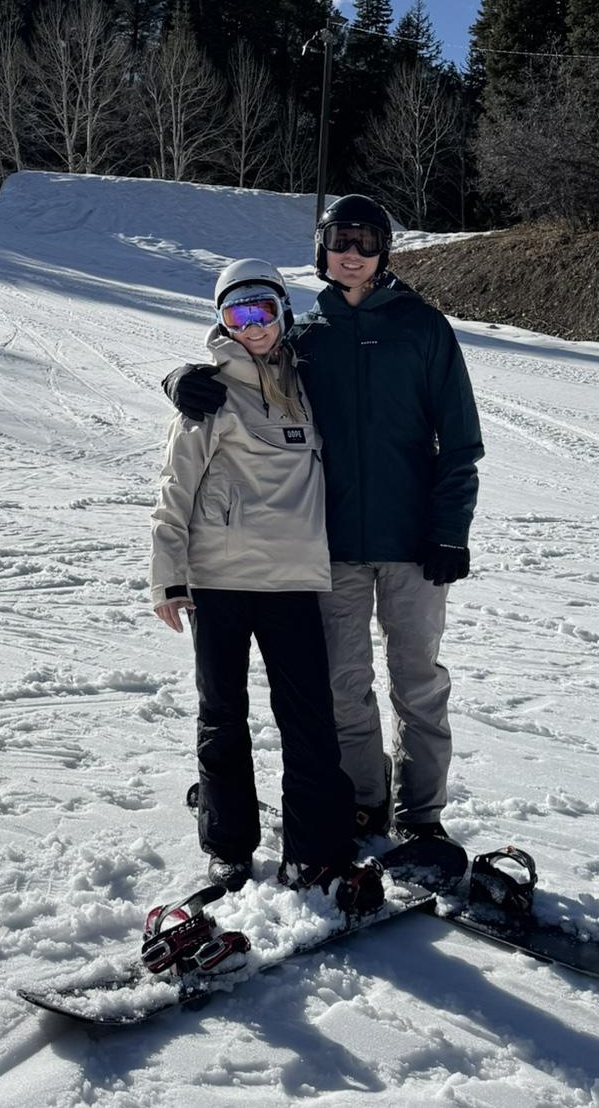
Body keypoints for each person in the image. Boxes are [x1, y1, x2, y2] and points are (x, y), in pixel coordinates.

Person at [167, 196, 483, 847]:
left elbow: (461, 441)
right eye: (341, 241)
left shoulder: (423, 328)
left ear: (383, 251)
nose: (353, 254)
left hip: (415, 544)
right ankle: (363, 802)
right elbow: (245, 365)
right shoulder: (307, 335)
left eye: (367, 242)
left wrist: (450, 529)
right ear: (323, 251)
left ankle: (421, 817)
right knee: (344, 688)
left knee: (419, 684)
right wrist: (179, 378)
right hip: (330, 548)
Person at [151, 257, 384, 914]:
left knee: (309, 718)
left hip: (294, 579)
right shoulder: (207, 395)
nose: (252, 327)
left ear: (283, 312)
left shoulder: (304, 383)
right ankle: (228, 842)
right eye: (237, 315)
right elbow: (173, 489)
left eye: (262, 311)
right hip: (220, 581)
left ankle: (316, 849)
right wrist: (168, 577)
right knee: (222, 713)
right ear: (221, 322)